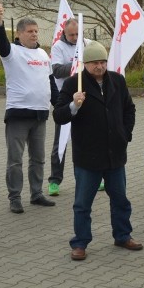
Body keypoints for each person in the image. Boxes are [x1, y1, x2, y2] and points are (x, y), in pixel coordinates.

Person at [53, 41, 142, 261]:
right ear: (86, 64)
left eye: (103, 62)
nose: (100, 67)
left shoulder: (117, 81)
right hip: (88, 156)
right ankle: (80, 242)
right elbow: (59, 115)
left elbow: (129, 109)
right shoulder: (75, 83)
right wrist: (74, 105)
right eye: (95, 63)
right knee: (83, 203)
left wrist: (125, 134)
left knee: (120, 199)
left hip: (115, 153)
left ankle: (123, 235)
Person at [0, 3, 56, 213]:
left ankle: (37, 193)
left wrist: (61, 105)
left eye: (36, 31)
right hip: (18, 114)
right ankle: (15, 197)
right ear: (19, 34)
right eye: (30, 31)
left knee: (38, 158)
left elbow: (52, 83)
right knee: (15, 160)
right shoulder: (12, 52)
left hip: (40, 115)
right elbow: (0, 43)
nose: (34, 34)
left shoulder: (43, 55)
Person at [47, 17, 88, 196]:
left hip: (85, 97)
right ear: (64, 32)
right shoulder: (58, 47)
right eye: (71, 34)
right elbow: (56, 70)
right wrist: (76, 65)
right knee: (60, 142)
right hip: (65, 98)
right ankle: (55, 180)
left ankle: (92, 176)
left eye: (77, 34)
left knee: (88, 140)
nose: (74, 37)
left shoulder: (87, 44)